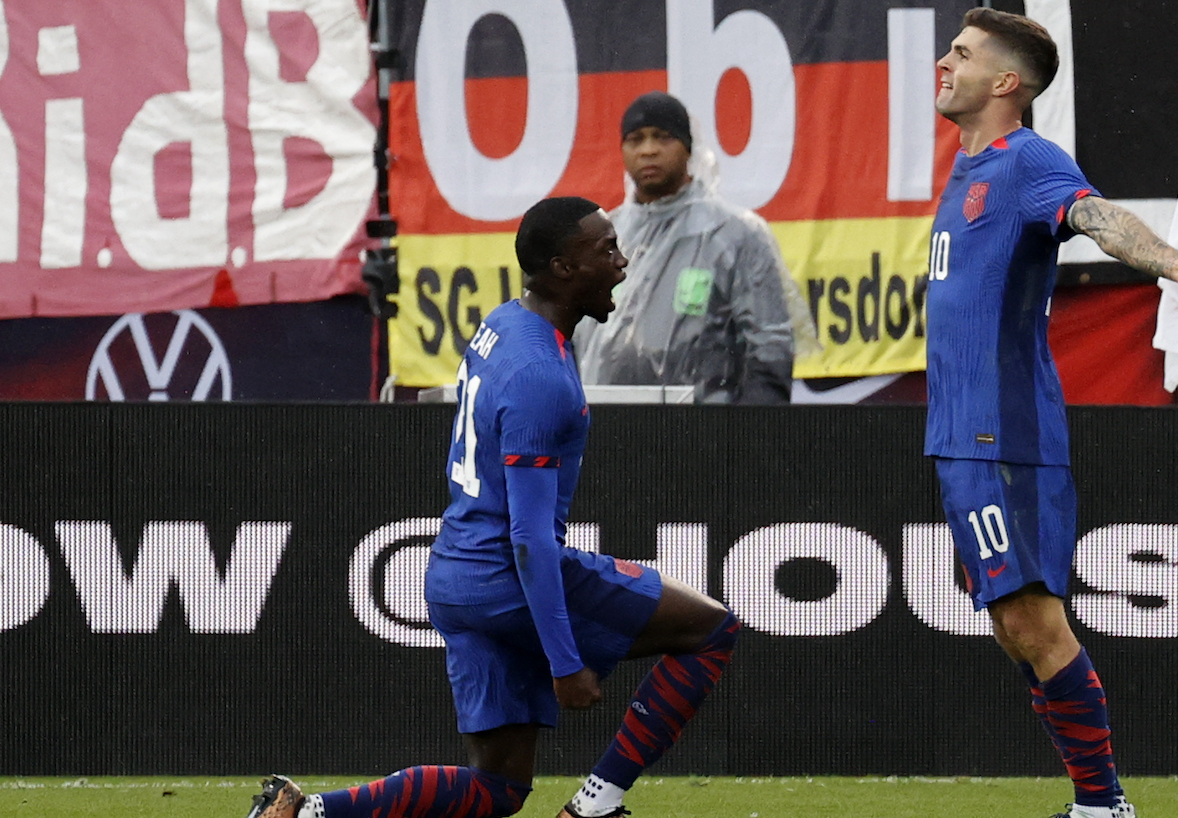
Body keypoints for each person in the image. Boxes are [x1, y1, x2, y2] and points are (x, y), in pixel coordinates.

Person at [245, 197, 740, 818]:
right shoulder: (541, 374)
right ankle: (595, 806)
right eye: (606, 251)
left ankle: (309, 812)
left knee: (497, 791)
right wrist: (565, 662)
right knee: (710, 629)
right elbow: (530, 539)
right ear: (563, 268)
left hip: (456, 575)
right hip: (508, 580)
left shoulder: (504, 324)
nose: (622, 262)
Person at [925, 10, 1178, 818]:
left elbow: (1095, 217)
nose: (943, 62)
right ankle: (1098, 804)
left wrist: (1176, 264)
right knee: (1012, 624)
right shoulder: (966, 170)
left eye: (961, 54)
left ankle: (1103, 805)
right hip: (961, 438)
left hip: (1005, 434)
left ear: (1006, 83)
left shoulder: (1027, 159)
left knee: (1033, 623)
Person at [575, 90, 804, 404]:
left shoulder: (735, 234)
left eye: (663, 137)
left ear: (688, 148)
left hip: (705, 435)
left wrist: (755, 435)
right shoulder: (601, 237)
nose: (649, 150)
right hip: (606, 429)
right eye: (636, 139)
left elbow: (769, 346)